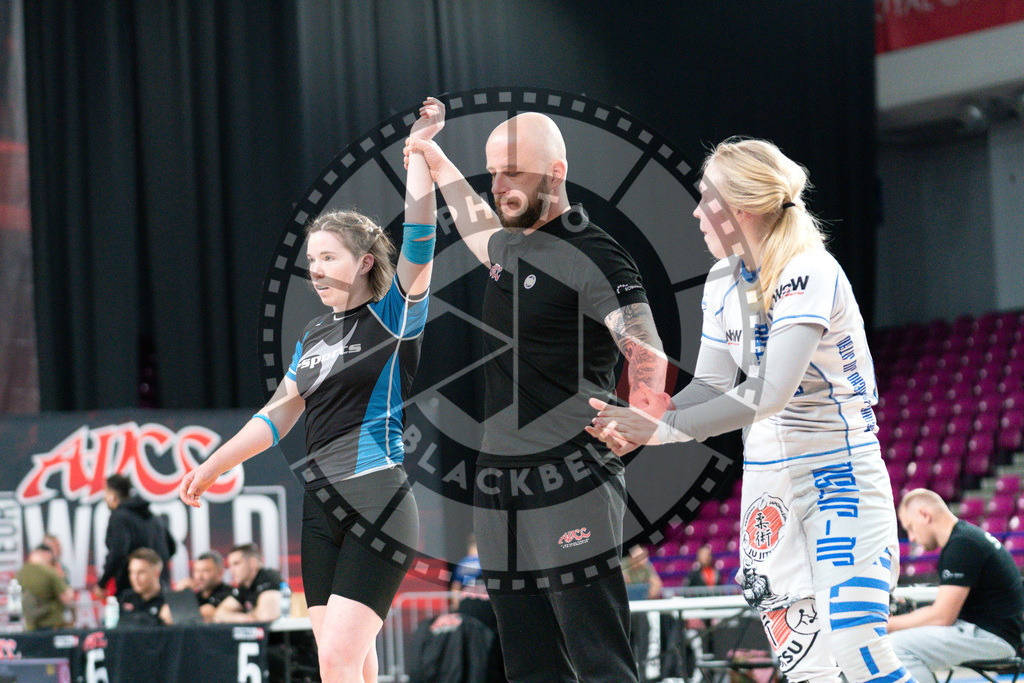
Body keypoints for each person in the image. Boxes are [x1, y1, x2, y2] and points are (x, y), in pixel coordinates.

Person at [589, 138, 911, 682]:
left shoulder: (808, 269)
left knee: (857, 644)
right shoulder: (721, 281)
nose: (695, 212)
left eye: (704, 198)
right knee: (805, 666)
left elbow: (770, 392)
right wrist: (646, 422)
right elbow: (711, 385)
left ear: (739, 207)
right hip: (766, 478)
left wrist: (661, 429)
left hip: (836, 469)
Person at [181, 98, 444, 683]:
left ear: (365, 262)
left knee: (336, 662)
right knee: (350, 663)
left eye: (328, 258)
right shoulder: (314, 334)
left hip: (377, 500)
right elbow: (275, 416)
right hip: (320, 509)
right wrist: (213, 465)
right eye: (311, 260)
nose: (315, 270)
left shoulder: (393, 315)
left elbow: (420, 239)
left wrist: (420, 156)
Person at [406, 104, 666, 683]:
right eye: (493, 172)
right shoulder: (511, 247)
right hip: (498, 480)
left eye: (513, 172)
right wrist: (435, 157)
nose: (499, 185)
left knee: (597, 655)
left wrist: (646, 411)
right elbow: (476, 224)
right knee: (528, 663)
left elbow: (643, 344)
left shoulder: (596, 252)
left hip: (570, 475)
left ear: (555, 171)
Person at [888, 489, 1024, 682]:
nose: (911, 538)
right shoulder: (965, 538)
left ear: (925, 515)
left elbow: (942, 616)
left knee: (894, 646)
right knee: (904, 639)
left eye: (910, 528)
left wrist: (889, 625)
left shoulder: (962, 544)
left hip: (992, 637)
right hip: (994, 632)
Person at [95, 473, 176, 597]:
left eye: (105, 492)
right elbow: (172, 547)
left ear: (112, 495)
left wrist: (102, 583)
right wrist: (153, 571)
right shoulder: (153, 517)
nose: (104, 498)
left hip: (132, 593)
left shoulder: (119, 517)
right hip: (160, 590)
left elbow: (118, 553)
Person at [213, 543, 283, 623]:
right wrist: (247, 617)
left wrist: (237, 616)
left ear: (252, 563)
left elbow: (267, 616)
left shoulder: (269, 577)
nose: (231, 571)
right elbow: (219, 615)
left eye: (236, 564)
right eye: (230, 566)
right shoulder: (244, 586)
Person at [16, 545, 74, 631]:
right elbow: (66, 598)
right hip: (52, 626)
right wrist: (63, 579)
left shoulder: (21, 573)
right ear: (47, 554)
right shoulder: (50, 572)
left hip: (31, 626)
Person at [118, 548, 172, 627]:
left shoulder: (169, 600)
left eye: (141, 572)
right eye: (131, 572)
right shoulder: (125, 597)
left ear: (156, 573)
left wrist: (170, 623)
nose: (135, 578)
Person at [190, 550, 233, 623]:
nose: (200, 576)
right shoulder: (194, 596)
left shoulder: (230, 594)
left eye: (205, 571)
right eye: (197, 571)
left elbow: (208, 611)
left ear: (220, 572)